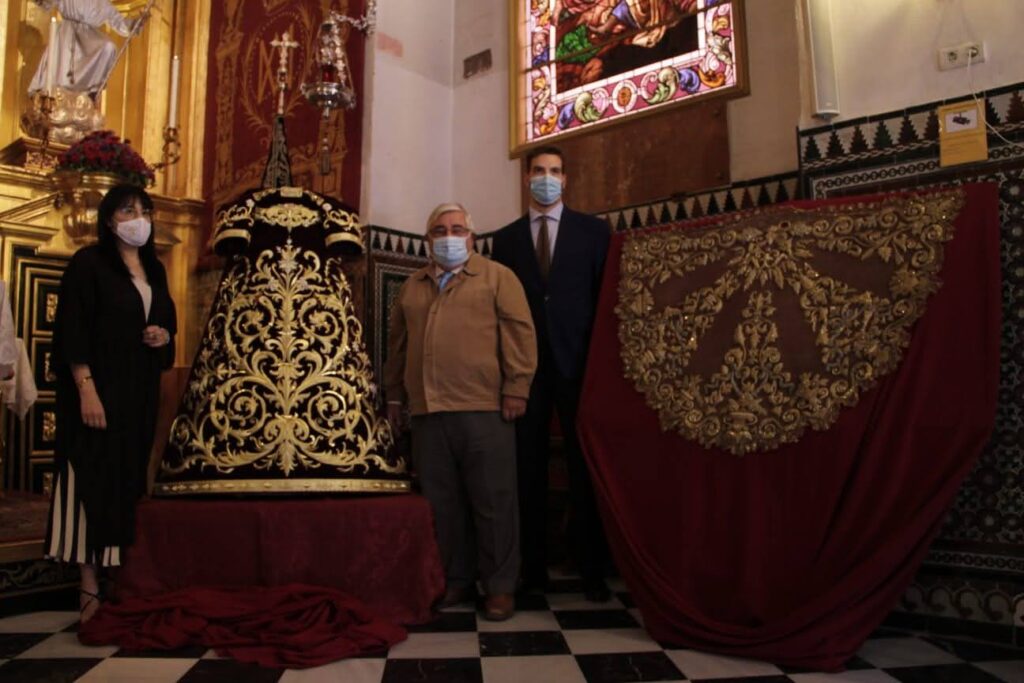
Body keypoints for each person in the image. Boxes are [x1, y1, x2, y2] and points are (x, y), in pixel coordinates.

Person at [384, 203, 537, 621]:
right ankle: (457, 579)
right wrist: (394, 396)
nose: (448, 237)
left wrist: (517, 387)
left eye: (457, 229)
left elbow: (520, 334)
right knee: (442, 504)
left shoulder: (498, 277)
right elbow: (397, 345)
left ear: (471, 237)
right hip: (427, 411)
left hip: (484, 407)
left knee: (494, 502)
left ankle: (500, 587)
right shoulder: (412, 286)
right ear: (427, 240)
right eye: (439, 230)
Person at [44, 183, 176, 623]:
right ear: (108, 219)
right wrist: (86, 389)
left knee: (124, 482)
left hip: (137, 397)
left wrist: (162, 336)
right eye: (128, 210)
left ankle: (117, 577)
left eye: (144, 210)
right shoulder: (89, 263)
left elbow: (168, 328)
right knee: (91, 478)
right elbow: (72, 330)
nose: (139, 219)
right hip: (96, 392)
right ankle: (87, 584)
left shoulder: (154, 270)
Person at [491, 145, 612, 602]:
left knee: (585, 469)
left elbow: (603, 300)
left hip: (579, 367)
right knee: (528, 471)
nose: (547, 177)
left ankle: (592, 571)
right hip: (526, 371)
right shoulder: (506, 240)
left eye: (555, 171)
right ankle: (533, 573)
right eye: (539, 170)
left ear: (565, 179)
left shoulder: (594, 232)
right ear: (527, 178)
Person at [29, 0, 138, 96]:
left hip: (90, 37)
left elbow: (118, 21)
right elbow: (47, 4)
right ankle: (58, 94)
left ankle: (91, 90)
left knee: (108, 47)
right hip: (67, 33)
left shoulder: (102, 3)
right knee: (62, 68)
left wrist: (134, 24)